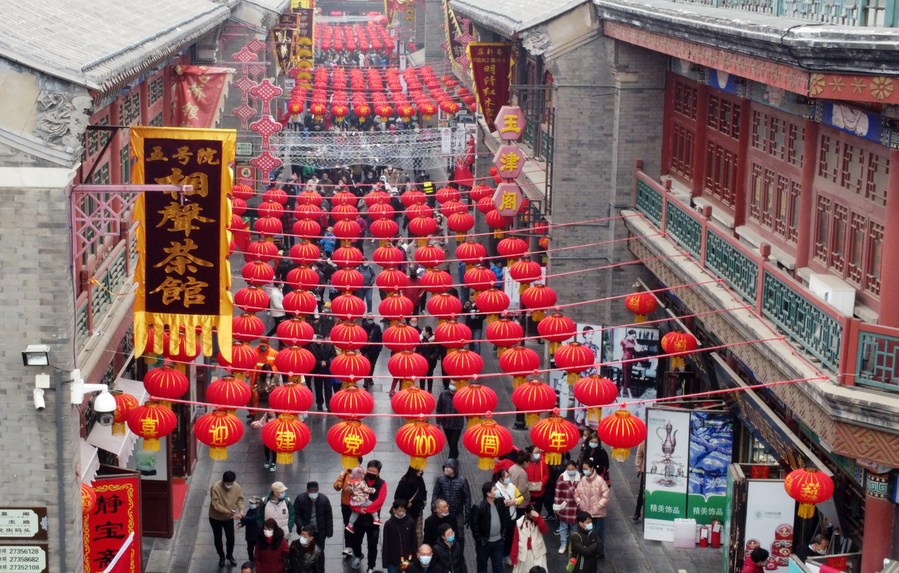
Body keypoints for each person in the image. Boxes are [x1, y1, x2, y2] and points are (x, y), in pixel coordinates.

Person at [349, 460, 388, 572]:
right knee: (356, 541)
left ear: (378, 472)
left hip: (372, 522)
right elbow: (351, 497)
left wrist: (366, 509)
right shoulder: (359, 479)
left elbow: (380, 501)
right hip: (359, 519)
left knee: (372, 545)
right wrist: (357, 509)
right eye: (369, 470)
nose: (371, 473)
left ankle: (371, 566)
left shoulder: (382, 484)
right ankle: (358, 556)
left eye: (374, 471)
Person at [470, 482, 510, 573]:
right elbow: (474, 525)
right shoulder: (478, 506)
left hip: (499, 541)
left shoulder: (500, 502)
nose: (497, 491)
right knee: (482, 566)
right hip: (484, 543)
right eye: (495, 489)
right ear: (488, 493)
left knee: (498, 566)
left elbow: (506, 518)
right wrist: (479, 540)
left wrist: (503, 536)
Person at [573, 459, 610, 559]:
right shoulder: (583, 480)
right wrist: (580, 503)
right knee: (586, 534)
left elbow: (606, 496)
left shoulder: (600, 481)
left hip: (598, 514)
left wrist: (598, 506)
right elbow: (576, 494)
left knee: (598, 534)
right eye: (583, 469)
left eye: (586, 469)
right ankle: (589, 550)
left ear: (592, 468)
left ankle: (599, 552)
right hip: (586, 513)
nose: (584, 471)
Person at [431, 459, 470, 551]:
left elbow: (467, 498)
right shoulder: (440, 480)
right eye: (445, 467)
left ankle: (459, 554)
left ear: (454, 469)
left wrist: (468, 513)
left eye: (449, 467)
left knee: (459, 535)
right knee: (441, 533)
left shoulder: (462, 480)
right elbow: (435, 494)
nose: (446, 469)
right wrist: (433, 507)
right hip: (443, 513)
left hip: (457, 513)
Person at [209, 471, 244, 567]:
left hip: (229, 517)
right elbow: (216, 504)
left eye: (231, 483)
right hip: (215, 517)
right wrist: (227, 511)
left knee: (231, 537)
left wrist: (241, 509)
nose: (229, 485)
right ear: (223, 481)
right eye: (228, 483)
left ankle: (229, 555)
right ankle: (221, 556)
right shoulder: (215, 487)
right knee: (218, 538)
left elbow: (240, 499)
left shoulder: (236, 487)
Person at [294, 481, 333, 561]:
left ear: (318, 490)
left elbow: (328, 516)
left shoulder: (324, 500)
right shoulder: (300, 499)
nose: (313, 493)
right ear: (307, 491)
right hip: (306, 532)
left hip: (320, 532)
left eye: (315, 491)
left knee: (320, 552)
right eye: (311, 491)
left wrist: (329, 531)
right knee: (305, 551)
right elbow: (296, 515)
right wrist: (301, 526)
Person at [333, 458, 364, 557]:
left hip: (357, 505)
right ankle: (348, 547)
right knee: (348, 525)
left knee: (356, 527)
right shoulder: (345, 472)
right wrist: (338, 485)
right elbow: (337, 483)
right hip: (346, 505)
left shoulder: (362, 474)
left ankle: (357, 548)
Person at [394, 466, 428, 546]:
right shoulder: (404, 482)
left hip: (418, 513)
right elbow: (397, 498)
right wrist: (406, 503)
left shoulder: (420, 480)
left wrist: (423, 502)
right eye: (419, 469)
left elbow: (424, 492)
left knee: (417, 536)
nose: (421, 471)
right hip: (406, 513)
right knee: (405, 535)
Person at [552, 460, 581, 554]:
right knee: (563, 528)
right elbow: (557, 493)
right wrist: (557, 507)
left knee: (574, 529)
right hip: (564, 507)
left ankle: (573, 545)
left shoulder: (581, 477)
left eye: (573, 469)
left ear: (576, 468)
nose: (571, 471)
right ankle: (563, 544)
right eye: (569, 469)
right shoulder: (561, 478)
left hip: (576, 508)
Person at [382, 500, 416, 573]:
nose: (401, 513)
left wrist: (414, 558)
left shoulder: (410, 522)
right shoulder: (389, 524)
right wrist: (385, 562)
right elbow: (386, 543)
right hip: (393, 560)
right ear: (394, 510)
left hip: (407, 559)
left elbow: (414, 541)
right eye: (399, 511)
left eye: (403, 510)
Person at [511, 508, 548, 573]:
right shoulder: (519, 523)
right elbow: (515, 541)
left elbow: (545, 530)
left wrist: (538, 517)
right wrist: (513, 557)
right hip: (525, 555)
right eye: (530, 514)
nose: (532, 516)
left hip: (538, 553)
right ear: (525, 513)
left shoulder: (537, 520)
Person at [345, 466, 381, 532]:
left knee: (355, 512)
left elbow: (348, 490)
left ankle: (350, 525)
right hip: (362, 500)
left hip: (355, 501)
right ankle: (376, 519)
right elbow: (366, 489)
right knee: (372, 504)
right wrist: (373, 490)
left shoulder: (350, 483)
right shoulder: (361, 482)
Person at [435, 386, 463, 459]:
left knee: (453, 443)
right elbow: (439, 409)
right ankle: (455, 454)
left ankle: (451, 459)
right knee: (451, 443)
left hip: (457, 424)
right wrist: (438, 422)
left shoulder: (462, 395)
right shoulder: (443, 394)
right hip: (446, 424)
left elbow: (466, 409)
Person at [310, 335, 336, 410]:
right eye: (317, 338)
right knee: (318, 388)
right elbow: (311, 357)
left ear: (324, 339)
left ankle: (329, 405)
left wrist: (327, 362)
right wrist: (319, 363)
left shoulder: (330, 346)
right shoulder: (313, 346)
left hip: (327, 370)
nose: (318, 340)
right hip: (317, 369)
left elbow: (333, 356)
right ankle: (319, 404)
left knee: (328, 388)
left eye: (320, 338)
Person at [524, 446, 550, 518]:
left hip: (540, 492)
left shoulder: (543, 462)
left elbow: (546, 474)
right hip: (529, 492)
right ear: (530, 454)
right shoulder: (526, 463)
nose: (538, 454)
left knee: (538, 510)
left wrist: (542, 483)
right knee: (529, 511)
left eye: (539, 452)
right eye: (536, 453)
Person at [361, 315, 383, 390]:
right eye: (369, 319)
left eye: (371, 319)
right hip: (365, 350)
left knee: (372, 365)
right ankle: (366, 381)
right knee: (366, 365)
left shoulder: (377, 327)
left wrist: (379, 348)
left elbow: (380, 338)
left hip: (375, 350)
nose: (370, 320)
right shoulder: (362, 327)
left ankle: (370, 378)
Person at [619, 329, 642, 397]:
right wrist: (619, 362)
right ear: (628, 334)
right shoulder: (623, 341)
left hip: (631, 360)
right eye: (633, 336)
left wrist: (635, 340)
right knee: (626, 376)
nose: (633, 338)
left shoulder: (633, 341)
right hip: (625, 359)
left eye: (634, 336)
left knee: (627, 376)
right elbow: (620, 352)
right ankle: (628, 391)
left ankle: (622, 390)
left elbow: (638, 350)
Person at [239, 496, 262, 563]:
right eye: (250, 503)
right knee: (250, 549)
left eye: (252, 503)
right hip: (249, 535)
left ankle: (257, 561)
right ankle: (251, 560)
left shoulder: (259, 512)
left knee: (258, 550)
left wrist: (243, 518)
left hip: (257, 536)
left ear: (258, 504)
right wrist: (241, 524)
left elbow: (252, 518)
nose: (250, 504)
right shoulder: (250, 511)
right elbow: (247, 519)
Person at [633, 442, 646, 522]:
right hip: (645, 470)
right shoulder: (643, 442)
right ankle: (637, 513)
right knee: (641, 491)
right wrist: (638, 467)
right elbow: (639, 455)